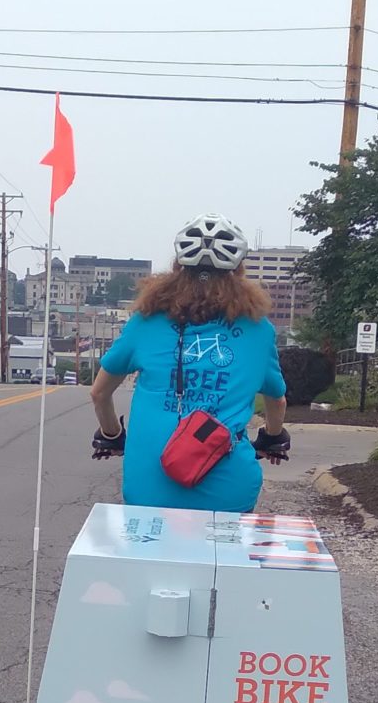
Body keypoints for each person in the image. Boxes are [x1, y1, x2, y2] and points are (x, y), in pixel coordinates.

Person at [89, 213, 289, 512]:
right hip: (229, 492)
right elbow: (276, 400)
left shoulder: (145, 324)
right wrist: (273, 437)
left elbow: (100, 393)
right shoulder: (258, 331)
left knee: (150, 551)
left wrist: (111, 435)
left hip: (150, 489)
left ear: (177, 267)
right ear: (238, 271)